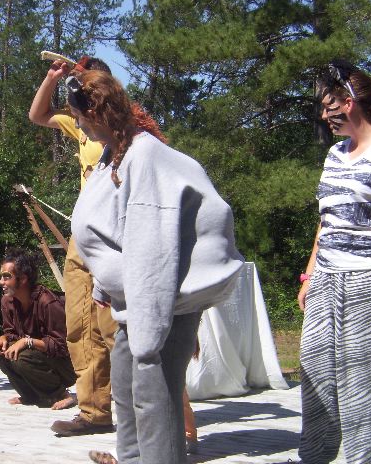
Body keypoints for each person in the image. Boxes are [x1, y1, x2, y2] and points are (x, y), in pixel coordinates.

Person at [68, 70, 244, 464]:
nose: (78, 125)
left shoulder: (143, 156)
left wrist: (149, 342)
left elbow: (153, 252)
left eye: (79, 117)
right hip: (133, 305)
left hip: (161, 306)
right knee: (126, 391)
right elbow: (113, 228)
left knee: (153, 399)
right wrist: (104, 287)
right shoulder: (114, 154)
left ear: (96, 112)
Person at [296, 60, 371, 464]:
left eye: (329, 106)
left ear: (350, 102)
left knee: (360, 386)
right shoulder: (336, 155)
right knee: (315, 378)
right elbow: (327, 221)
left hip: (369, 286)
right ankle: (314, 458)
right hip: (325, 281)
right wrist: (309, 275)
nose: (325, 115)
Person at [29, 56, 119, 436]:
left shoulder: (125, 127)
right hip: (82, 238)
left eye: (86, 84)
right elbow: (37, 115)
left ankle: (146, 409)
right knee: (80, 324)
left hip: (114, 237)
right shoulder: (79, 124)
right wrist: (52, 77)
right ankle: (94, 412)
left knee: (115, 326)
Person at [0, 248, 77, 409]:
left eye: (7, 277)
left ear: (23, 279)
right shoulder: (7, 301)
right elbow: (11, 333)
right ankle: (31, 395)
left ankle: (62, 394)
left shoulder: (47, 302)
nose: (1, 282)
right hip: (39, 357)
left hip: (65, 365)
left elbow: (62, 346)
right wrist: (2, 339)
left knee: (22, 357)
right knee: (3, 354)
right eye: (1, 277)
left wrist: (27, 341)